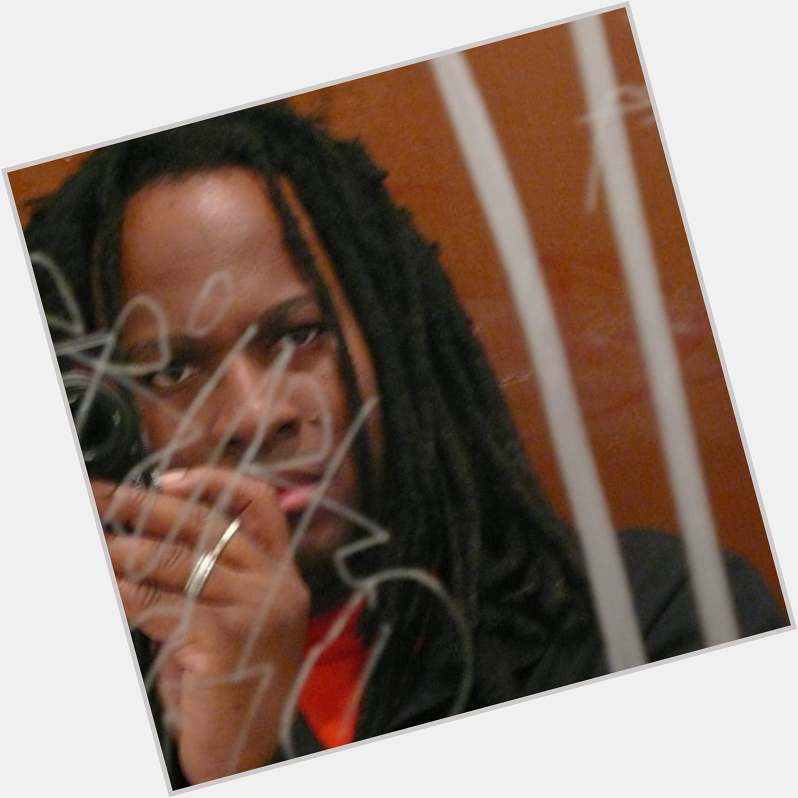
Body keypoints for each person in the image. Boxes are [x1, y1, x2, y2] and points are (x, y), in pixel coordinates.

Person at [22, 102, 785, 787]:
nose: (255, 414)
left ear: (392, 338)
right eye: (173, 370)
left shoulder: (655, 618)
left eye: (300, 333)